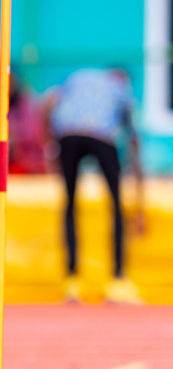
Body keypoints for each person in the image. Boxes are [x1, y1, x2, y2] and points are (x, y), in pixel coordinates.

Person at [42, 68, 145, 305]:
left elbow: (48, 102)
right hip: (101, 135)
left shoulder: (78, 76)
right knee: (115, 206)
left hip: (67, 134)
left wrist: (48, 141)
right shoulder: (120, 87)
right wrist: (139, 184)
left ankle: (72, 281)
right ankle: (118, 280)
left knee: (69, 204)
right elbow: (133, 134)